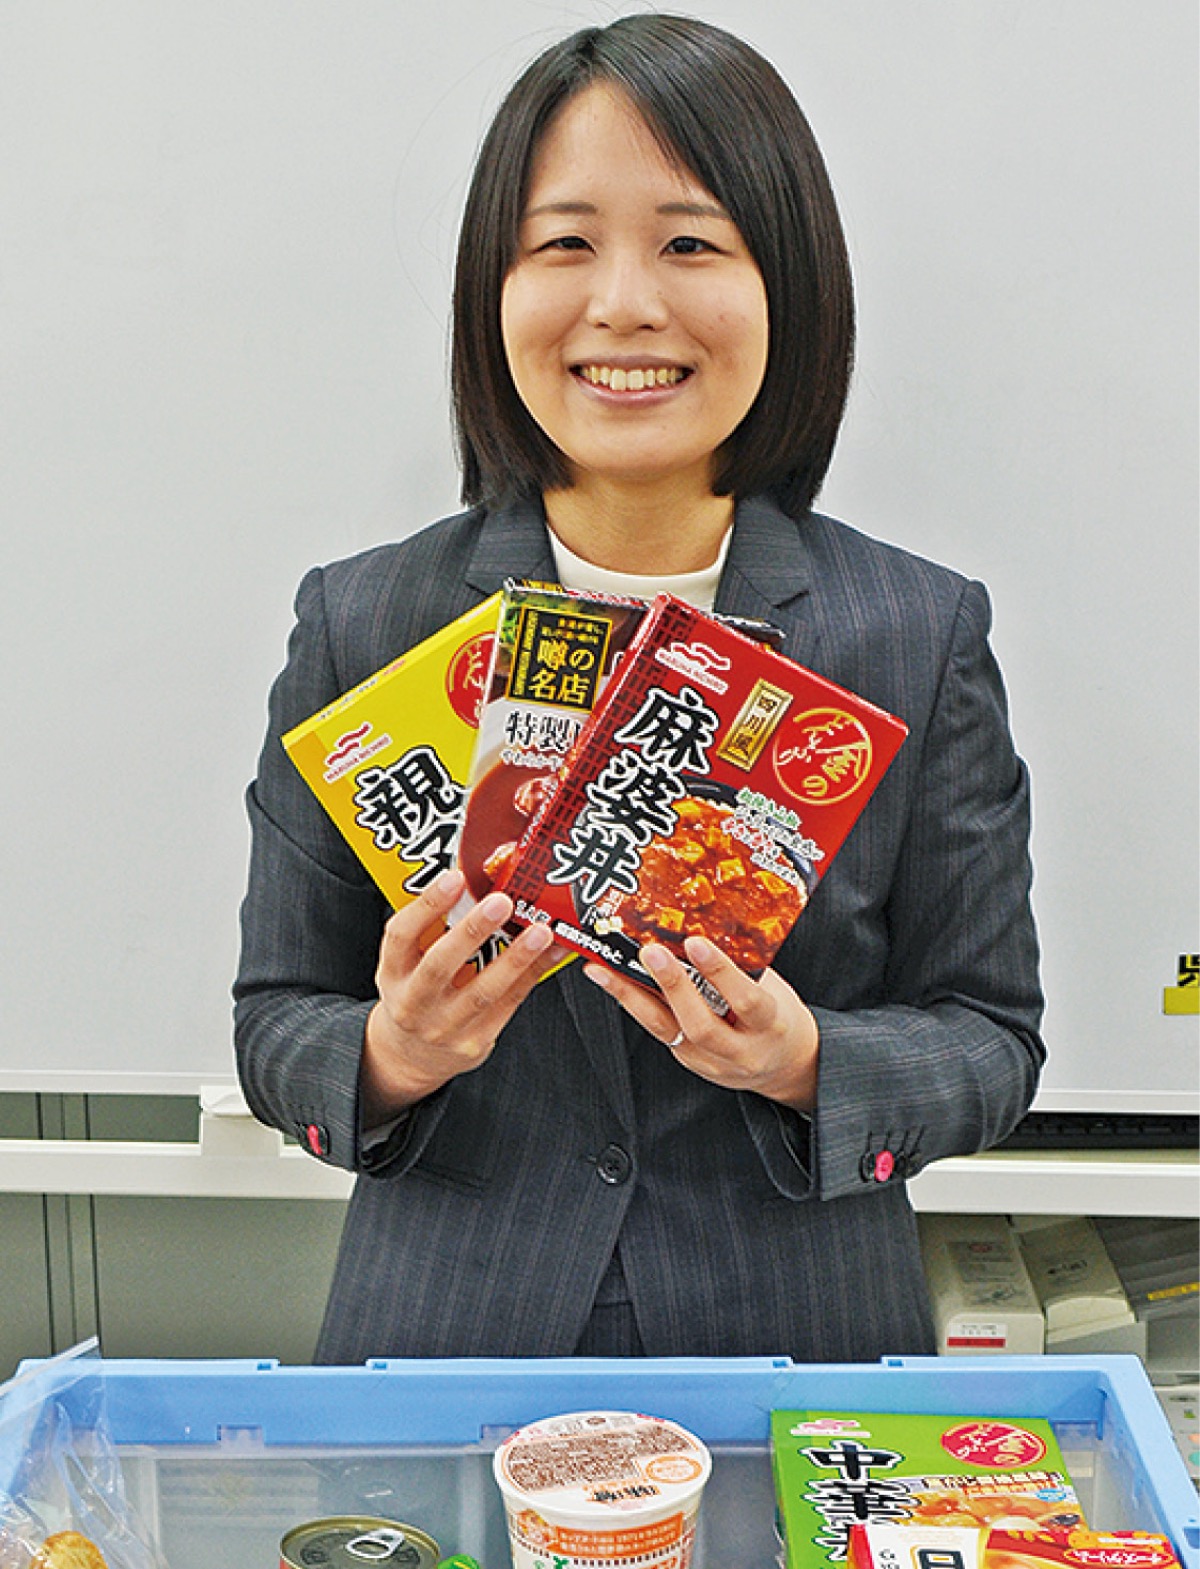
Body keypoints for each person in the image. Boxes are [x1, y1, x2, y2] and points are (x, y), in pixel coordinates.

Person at [233, 14, 1044, 1364]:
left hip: (794, 1348)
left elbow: (991, 1036)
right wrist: (397, 1054)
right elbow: (276, 1016)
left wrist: (801, 1062)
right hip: (452, 1343)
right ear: (491, 291)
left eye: (689, 244)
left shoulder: (916, 629)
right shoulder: (365, 620)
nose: (622, 304)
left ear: (786, 287)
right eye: (564, 243)